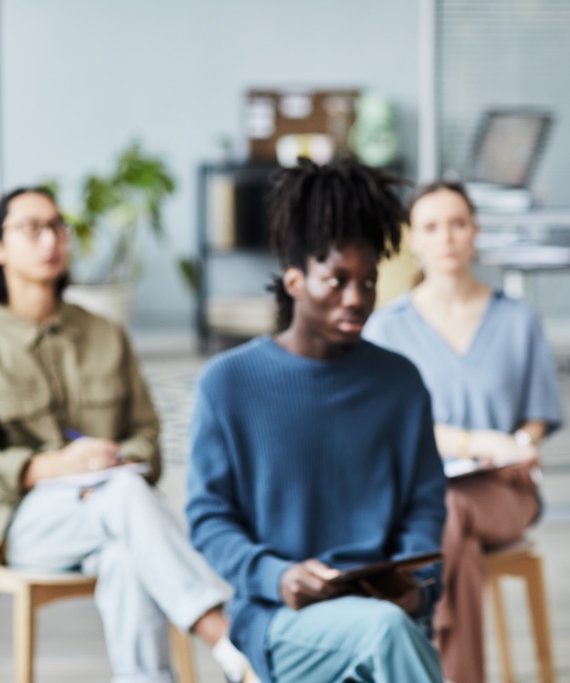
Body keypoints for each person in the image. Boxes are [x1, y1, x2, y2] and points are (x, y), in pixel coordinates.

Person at [0, 187, 249, 683]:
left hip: (114, 512)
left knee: (127, 554)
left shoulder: (106, 333)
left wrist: (110, 459)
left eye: (58, 227)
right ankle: (229, 641)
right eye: (32, 228)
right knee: (125, 498)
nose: (51, 240)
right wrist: (51, 467)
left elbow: (147, 436)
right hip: (26, 524)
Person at [185, 158, 448, 683]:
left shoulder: (399, 383)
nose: (356, 299)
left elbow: (424, 507)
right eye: (337, 280)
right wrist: (276, 576)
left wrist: (417, 582)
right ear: (295, 281)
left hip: (385, 608)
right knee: (386, 635)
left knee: (388, 630)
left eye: (369, 281)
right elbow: (209, 518)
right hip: (279, 617)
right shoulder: (229, 383)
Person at [363, 180, 563, 683]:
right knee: (456, 541)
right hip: (416, 493)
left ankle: (421, 638)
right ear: (412, 239)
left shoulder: (518, 319)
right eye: (431, 226)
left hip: (503, 489)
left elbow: (537, 414)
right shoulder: (385, 329)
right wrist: (474, 442)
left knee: (447, 512)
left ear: (475, 232)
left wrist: (520, 446)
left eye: (458, 223)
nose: (447, 237)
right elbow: (385, 428)